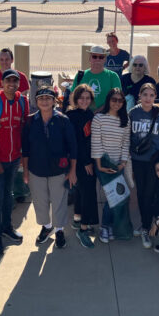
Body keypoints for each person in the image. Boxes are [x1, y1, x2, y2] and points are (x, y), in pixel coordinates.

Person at [22, 87, 77, 250]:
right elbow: (25, 148)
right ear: (36, 101)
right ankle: (47, 226)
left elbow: (72, 147)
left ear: (54, 101)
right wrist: (25, 171)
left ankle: (59, 230)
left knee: (59, 200)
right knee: (40, 201)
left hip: (58, 170)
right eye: (41, 98)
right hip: (36, 169)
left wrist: (72, 170)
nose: (44, 101)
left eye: (48, 98)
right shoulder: (30, 121)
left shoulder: (63, 120)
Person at [0, 69, 29, 255]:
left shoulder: (23, 101)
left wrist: (22, 156)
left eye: (15, 81)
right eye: (8, 81)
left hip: (14, 158)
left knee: (8, 195)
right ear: (1, 83)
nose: (12, 84)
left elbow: (25, 127)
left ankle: (6, 227)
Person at [129, 83, 159, 249]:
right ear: (140, 96)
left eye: (151, 95)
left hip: (155, 161)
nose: (148, 98)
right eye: (145, 95)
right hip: (138, 159)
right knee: (141, 192)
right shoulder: (133, 113)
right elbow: (128, 136)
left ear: (155, 97)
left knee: (151, 193)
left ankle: (147, 225)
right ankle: (146, 224)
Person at [91, 87, 131, 245]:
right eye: (114, 99)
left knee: (117, 197)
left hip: (118, 165)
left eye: (120, 100)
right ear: (108, 100)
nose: (117, 103)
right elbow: (96, 142)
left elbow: (126, 143)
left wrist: (123, 163)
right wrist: (99, 166)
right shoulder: (99, 118)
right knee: (111, 196)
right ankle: (104, 227)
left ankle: (111, 226)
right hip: (103, 164)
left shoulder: (125, 120)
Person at [67, 84, 98, 247]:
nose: (85, 101)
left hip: (88, 159)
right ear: (76, 99)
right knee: (88, 195)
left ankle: (77, 219)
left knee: (80, 192)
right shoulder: (71, 116)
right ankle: (84, 229)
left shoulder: (89, 113)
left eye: (88, 98)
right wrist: (85, 162)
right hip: (80, 161)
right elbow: (75, 143)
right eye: (81, 98)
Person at [71, 45, 121, 110]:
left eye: (101, 57)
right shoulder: (80, 75)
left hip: (104, 116)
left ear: (105, 59)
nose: (97, 59)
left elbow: (116, 99)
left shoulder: (113, 76)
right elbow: (72, 95)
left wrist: (98, 112)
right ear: (89, 58)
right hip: (83, 117)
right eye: (94, 56)